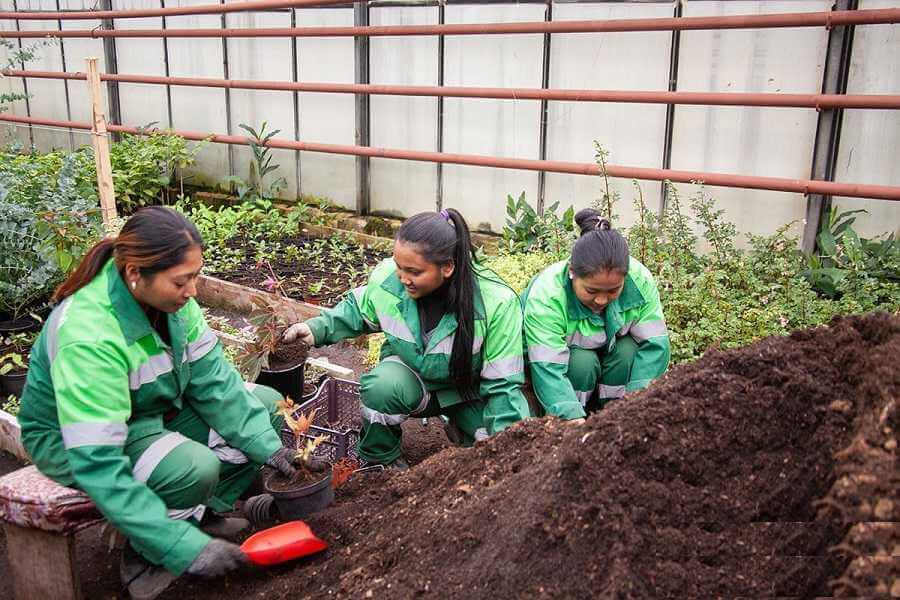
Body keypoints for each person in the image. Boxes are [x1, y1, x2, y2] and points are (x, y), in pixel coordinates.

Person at [18, 207, 304, 600]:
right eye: (181, 281)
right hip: (75, 441)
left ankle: (199, 516)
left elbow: (215, 383)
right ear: (136, 273)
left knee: (267, 407)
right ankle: (149, 554)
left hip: (149, 411)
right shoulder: (90, 334)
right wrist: (182, 550)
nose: (192, 291)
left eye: (196, 277)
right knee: (193, 467)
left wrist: (272, 450)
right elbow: (98, 461)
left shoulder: (175, 305)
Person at [283, 208, 530, 468]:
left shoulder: (496, 303)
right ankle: (381, 460)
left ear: (447, 267)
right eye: (398, 266)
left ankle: (461, 425)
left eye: (413, 271)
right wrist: (315, 329)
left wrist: (508, 447)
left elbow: (503, 385)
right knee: (381, 387)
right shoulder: (389, 281)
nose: (403, 278)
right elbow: (357, 310)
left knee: (491, 450)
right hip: (413, 382)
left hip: (468, 392)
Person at [521, 208, 670, 421]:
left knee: (628, 351)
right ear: (572, 272)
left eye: (613, 291)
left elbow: (655, 347)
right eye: (591, 291)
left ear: (625, 277)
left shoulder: (640, 281)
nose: (601, 300)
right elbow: (547, 366)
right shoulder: (548, 294)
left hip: (607, 355)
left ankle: (614, 414)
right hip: (561, 366)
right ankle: (576, 414)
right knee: (582, 363)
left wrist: (637, 407)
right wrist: (570, 417)